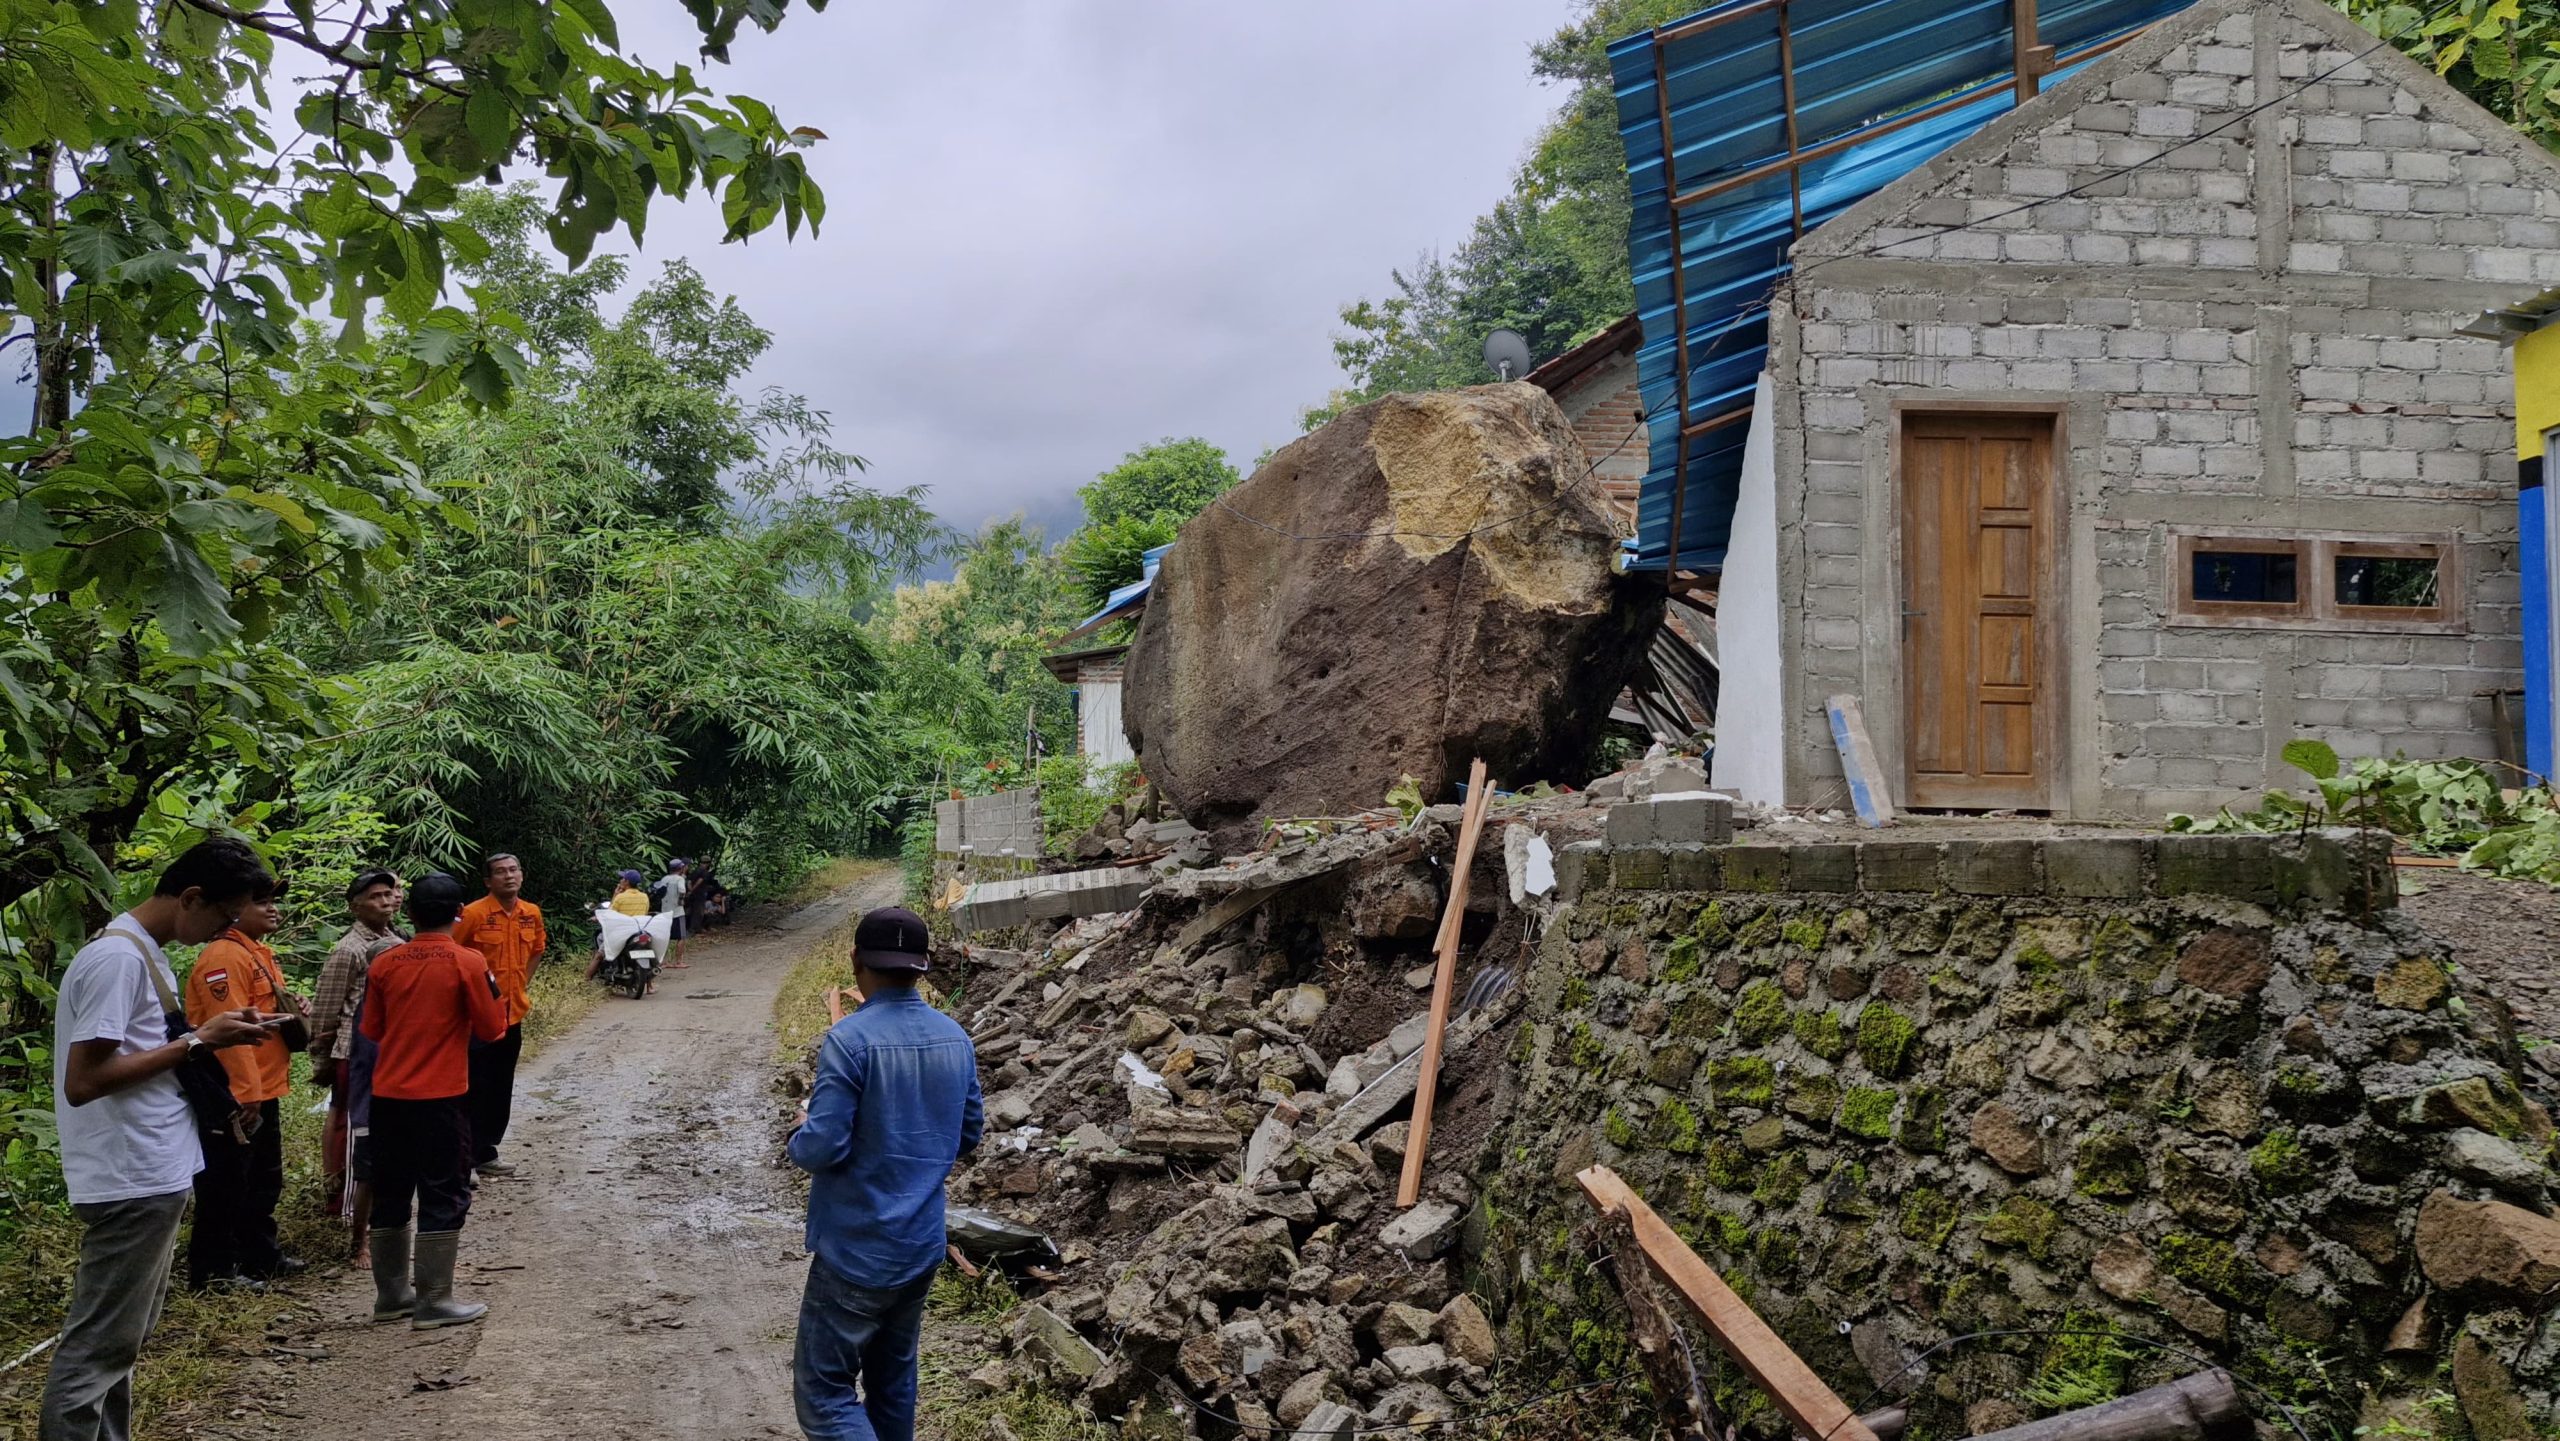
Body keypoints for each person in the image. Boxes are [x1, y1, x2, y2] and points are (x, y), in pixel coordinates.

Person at [42, 838, 283, 1441]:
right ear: (192, 897)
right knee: (98, 1347)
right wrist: (200, 1042)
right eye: (225, 917)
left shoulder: (141, 952)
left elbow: (148, 1049)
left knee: (120, 1344)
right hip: (130, 1175)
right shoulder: (118, 960)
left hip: (152, 1168)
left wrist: (209, 1034)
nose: (226, 931)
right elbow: (85, 1080)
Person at [787, 906, 983, 1441]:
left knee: (825, 1394)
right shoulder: (955, 1038)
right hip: (920, 1244)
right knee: (893, 1383)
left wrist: (800, 1131)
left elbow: (821, 1148)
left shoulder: (849, 1041)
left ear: (856, 962)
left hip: (857, 1247)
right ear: (922, 966)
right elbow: (968, 1135)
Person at [360, 873, 508, 1330]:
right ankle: (435, 1300)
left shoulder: (384, 963)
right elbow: (492, 1030)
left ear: (408, 913)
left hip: (387, 1096)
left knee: (392, 1189)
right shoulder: (468, 961)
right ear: (459, 912)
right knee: (444, 1190)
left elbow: (372, 1029)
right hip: (441, 1097)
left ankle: (391, 1296)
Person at [179, 876, 306, 1292]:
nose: (272, 909)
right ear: (234, 909)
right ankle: (214, 1271)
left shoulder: (256, 953)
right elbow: (228, 1031)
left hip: (264, 1085)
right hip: (235, 1090)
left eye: (273, 901)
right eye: (261, 902)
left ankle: (259, 1255)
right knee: (226, 1183)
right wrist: (245, 1093)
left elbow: (260, 1013)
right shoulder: (223, 956)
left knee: (262, 1179)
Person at [309, 869, 403, 1261]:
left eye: (389, 894)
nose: (385, 901)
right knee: (350, 1124)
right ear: (356, 906)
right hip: (352, 1049)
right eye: (376, 896)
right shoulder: (349, 950)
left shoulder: (395, 941)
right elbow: (328, 1007)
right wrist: (322, 1056)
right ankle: (344, 1205)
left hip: (387, 1049)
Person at [456, 853, 544, 1178]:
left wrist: (519, 986)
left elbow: (536, 951)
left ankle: (486, 1152)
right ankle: (464, 1159)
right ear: (487, 881)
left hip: (512, 1014)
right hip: (476, 1018)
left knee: (500, 1086)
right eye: (500, 872)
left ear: (521, 874)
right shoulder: (473, 914)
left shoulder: (530, 913)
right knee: (472, 1085)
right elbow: (453, 955)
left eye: (513, 870)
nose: (509, 876)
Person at [653, 858, 691, 970]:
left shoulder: (664, 879)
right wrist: (681, 900)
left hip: (665, 912)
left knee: (666, 938)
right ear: (680, 868)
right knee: (682, 937)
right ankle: (678, 961)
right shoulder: (679, 879)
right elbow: (682, 890)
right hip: (677, 912)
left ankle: (662, 961)